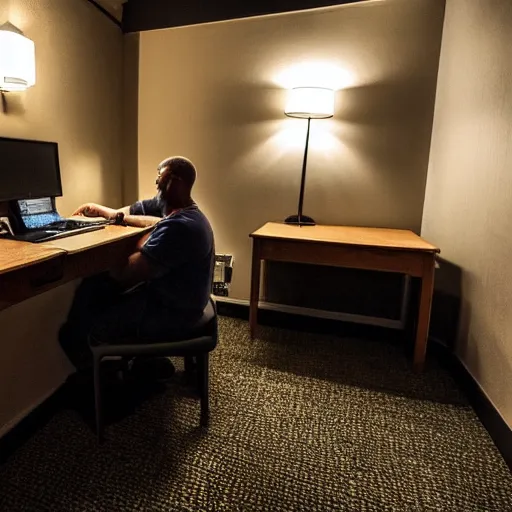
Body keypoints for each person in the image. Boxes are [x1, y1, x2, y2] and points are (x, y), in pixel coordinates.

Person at [59, 156, 214, 378]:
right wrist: (105, 212)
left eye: (160, 177)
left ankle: (107, 391)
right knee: (99, 296)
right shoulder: (180, 211)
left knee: (87, 325)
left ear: (174, 181)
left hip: (175, 313)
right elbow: (131, 213)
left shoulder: (181, 227)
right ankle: (144, 366)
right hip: (182, 299)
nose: (156, 182)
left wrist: (92, 261)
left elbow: (124, 275)